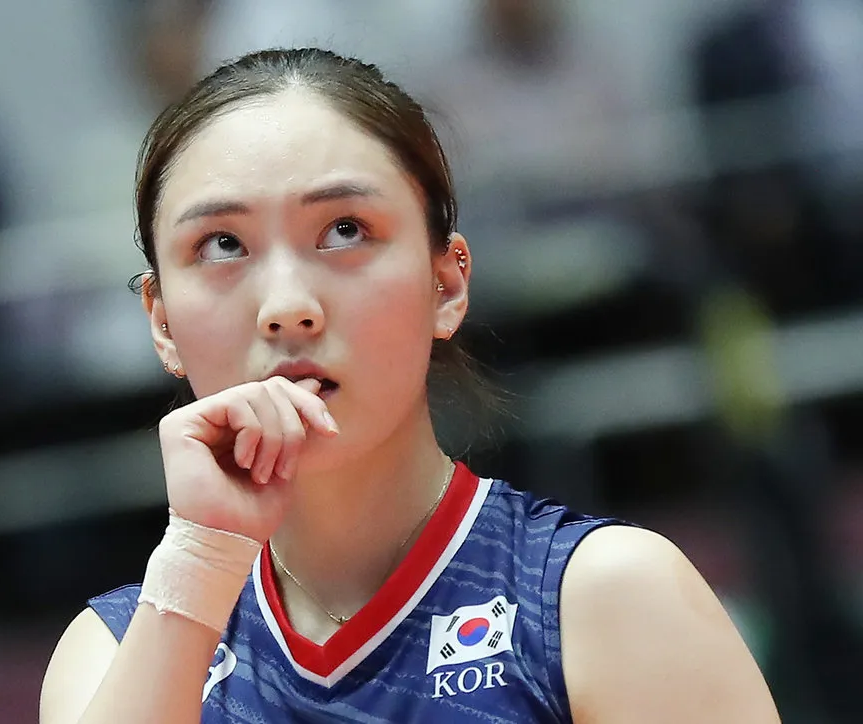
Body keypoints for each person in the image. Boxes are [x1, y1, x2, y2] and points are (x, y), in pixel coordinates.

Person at [39, 48, 780, 723]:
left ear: (446, 283)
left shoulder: (608, 598)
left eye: (345, 229)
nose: (287, 306)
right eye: (222, 244)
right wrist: (198, 564)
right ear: (162, 321)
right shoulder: (109, 653)